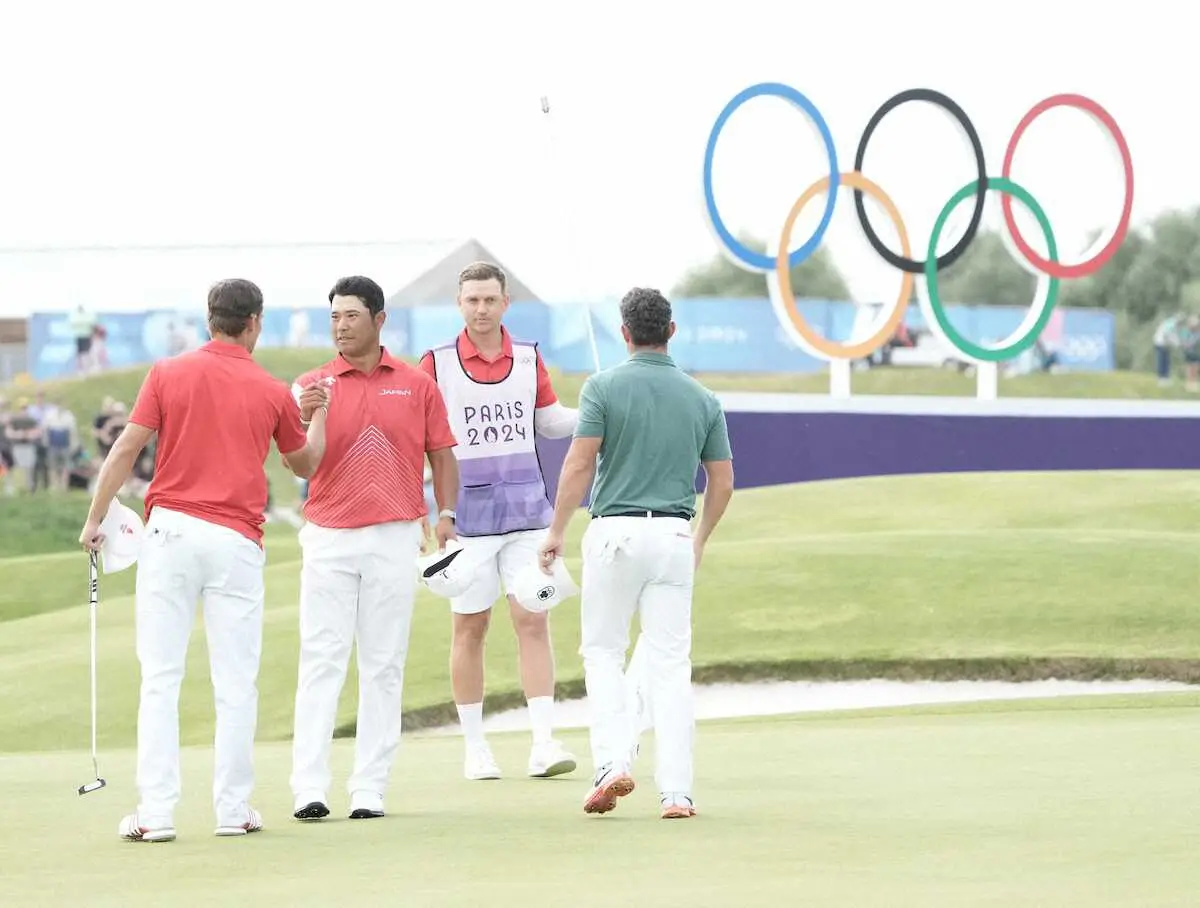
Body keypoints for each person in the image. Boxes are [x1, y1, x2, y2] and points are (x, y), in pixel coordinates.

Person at [77, 278, 330, 844]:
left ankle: (157, 814)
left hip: (170, 534)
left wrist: (96, 519)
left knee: (161, 678)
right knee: (236, 682)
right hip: (236, 541)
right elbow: (306, 464)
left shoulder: (168, 373)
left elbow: (126, 448)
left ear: (209, 319)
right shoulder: (269, 390)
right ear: (255, 322)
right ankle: (232, 809)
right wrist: (315, 414)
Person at [538, 287, 735, 820]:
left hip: (614, 535)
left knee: (603, 653)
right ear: (671, 331)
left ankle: (611, 763)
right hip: (673, 537)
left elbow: (579, 466)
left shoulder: (602, 386)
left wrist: (555, 530)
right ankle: (677, 792)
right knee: (670, 668)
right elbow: (722, 482)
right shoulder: (702, 398)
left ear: (625, 333)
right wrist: (700, 540)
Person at [288, 275, 460, 822]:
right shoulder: (312, 384)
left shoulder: (414, 384)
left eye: (351, 316)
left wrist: (447, 515)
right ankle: (309, 787)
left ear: (378, 319)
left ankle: (369, 787)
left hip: (395, 533)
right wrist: (304, 414)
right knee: (322, 660)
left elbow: (442, 455)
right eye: (334, 316)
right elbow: (300, 463)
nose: (340, 326)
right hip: (328, 536)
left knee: (383, 664)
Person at [418, 261, 581, 782]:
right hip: (466, 521)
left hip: (529, 516)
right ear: (460, 304)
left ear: (505, 303)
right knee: (471, 626)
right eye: (472, 300)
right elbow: (419, 438)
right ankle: (475, 748)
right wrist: (434, 512)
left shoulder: (530, 358)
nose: (482, 309)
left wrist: (600, 411)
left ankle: (542, 742)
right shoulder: (436, 363)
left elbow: (549, 422)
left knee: (533, 619)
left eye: (490, 300)